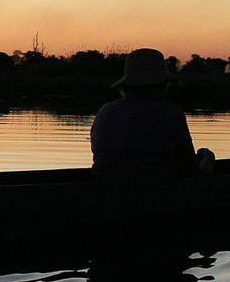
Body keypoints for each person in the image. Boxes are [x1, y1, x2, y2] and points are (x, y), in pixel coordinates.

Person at [90, 48, 214, 182]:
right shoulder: (170, 113)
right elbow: (192, 172)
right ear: (160, 85)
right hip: (157, 196)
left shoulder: (105, 111)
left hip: (106, 195)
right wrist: (208, 160)